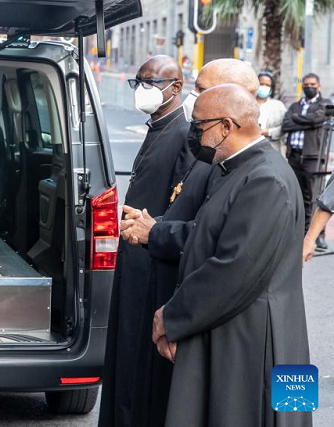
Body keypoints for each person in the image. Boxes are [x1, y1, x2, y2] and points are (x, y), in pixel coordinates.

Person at [152, 84, 310, 427]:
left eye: (199, 127)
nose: (194, 135)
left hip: (258, 337)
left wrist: (171, 315)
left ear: (226, 126)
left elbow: (234, 269)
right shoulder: (238, 169)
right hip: (243, 327)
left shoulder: (266, 178)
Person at [120, 58, 260, 427]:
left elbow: (226, 256)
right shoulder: (222, 158)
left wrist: (175, 316)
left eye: (204, 90)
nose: (196, 104)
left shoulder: (262, 176)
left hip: (224, 324)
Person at [98, 55, 193, 427]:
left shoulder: (183, 135)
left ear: (176, 87)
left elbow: (181, 210)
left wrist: (150, 234)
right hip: (133, 260)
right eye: (138, 81)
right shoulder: (157, 125)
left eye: (151, 82)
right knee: (123, 355)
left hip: (153, 264)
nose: (143, 90)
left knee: (139, 364)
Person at [282, 72, 331, 249]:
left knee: (315, 197)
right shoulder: (295, 105)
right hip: (294, 156)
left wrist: (297, 120)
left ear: (318, 86)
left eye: (312, 84)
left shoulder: (325, 104)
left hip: (313, 158)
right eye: (306, 84)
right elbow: (285, 124)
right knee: (297, 196)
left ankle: (318, 236)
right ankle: (301, 234)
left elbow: (318, 118)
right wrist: (305, 122)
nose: (308, 87)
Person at [256, 71, 287, 151]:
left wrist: (268, 132)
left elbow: (285, 126)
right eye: (261, 84)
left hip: (271, 147)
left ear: (271, 88)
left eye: (267, 85)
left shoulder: (278, 106)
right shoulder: (247, 103)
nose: (264, 87)